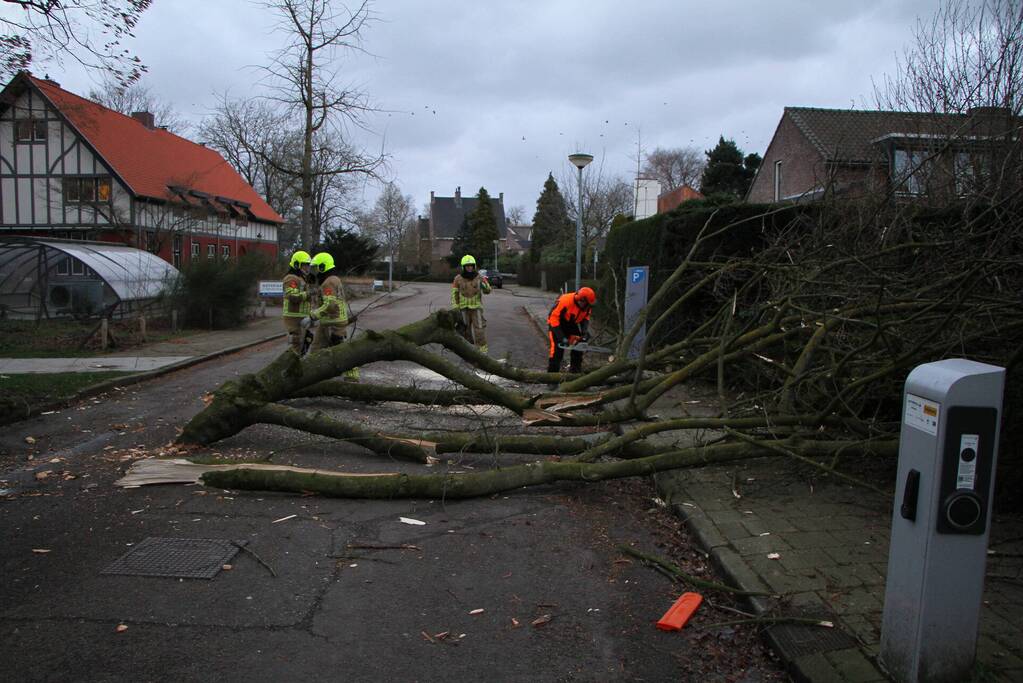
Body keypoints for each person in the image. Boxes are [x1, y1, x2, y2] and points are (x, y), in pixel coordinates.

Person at [308, 252, 359, 380]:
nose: (315, 271)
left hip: (332, 323)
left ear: (323, 267)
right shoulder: (335, 279)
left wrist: (313, 315)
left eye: (316, 267)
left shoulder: (327, 283)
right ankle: (312, 376)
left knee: (339, 351)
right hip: (331, 322)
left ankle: (352, 376)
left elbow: (329, 305)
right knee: (316, 349)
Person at [547, 286, 596, 373]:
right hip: (557, 325)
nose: (588, 306)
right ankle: (551, 377)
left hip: (571, 324)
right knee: (556, 352)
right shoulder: (565, 301)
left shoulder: (586, 307)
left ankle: (574, 372)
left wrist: (584, 332)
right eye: (587, 304)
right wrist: (562, 337)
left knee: (579, 346)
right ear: (581, 300)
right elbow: (553, 318)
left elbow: (585, 318)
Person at [451, 254, 491, 353]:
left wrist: (485, 286)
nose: (469, 268)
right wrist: (456, 307)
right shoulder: (457, 279)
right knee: (465, 330)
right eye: (467, 266)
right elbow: (454, 293)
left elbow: (488, 291)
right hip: (463, 309)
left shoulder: (480, 277)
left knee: (479, 329)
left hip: (476, 308)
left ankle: (482, 351)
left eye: (471, 266)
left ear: (474, 266)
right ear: (463, 267)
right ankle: (468, 350)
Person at [282, 250, 311, 353]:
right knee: (296, 343)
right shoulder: (291, 278)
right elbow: (293, 296)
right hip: (293, 317)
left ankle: (298, 363)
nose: (307, 267)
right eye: (305, 265)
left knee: (304, 344)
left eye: (308, 265)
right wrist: (308, 294)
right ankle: (291, 366)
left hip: (301, 316)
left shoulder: (301, 278)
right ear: (297, 264)